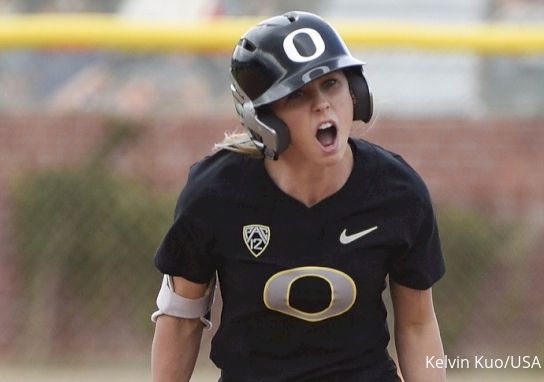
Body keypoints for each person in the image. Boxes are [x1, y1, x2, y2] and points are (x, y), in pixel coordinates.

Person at [150, 11, 446, 382]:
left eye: (332, 84)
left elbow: (417, 326)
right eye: (298, 94)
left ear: (356, 91)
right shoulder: (215, 195)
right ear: (262, 119)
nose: (322, 104)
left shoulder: (397, 193)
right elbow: (180, 320)